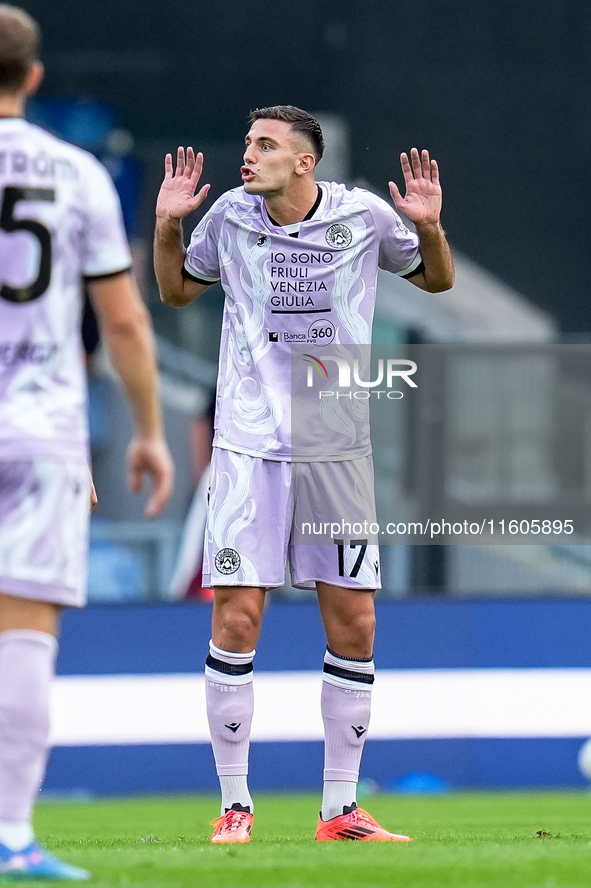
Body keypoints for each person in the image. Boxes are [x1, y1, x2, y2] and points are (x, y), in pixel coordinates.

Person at [154, 104, 453, 844]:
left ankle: (339, 810)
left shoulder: (362, 217)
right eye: (250, 144)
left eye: (264, 146)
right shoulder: (229, 216)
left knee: (354, 622)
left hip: (337, 449)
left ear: (304, 162)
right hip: (248, 448)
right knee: (237, 616)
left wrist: (429, 226)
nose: (247, 157)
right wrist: (167, 227)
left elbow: (437, 281)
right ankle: (234, 806)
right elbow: (174, 293)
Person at [0, 5, 174, 880]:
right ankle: (12, 837)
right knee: (24, 631)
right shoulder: (76, 174)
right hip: (38, 427)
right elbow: (124, 324)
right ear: (32, 78)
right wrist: (146, 431)